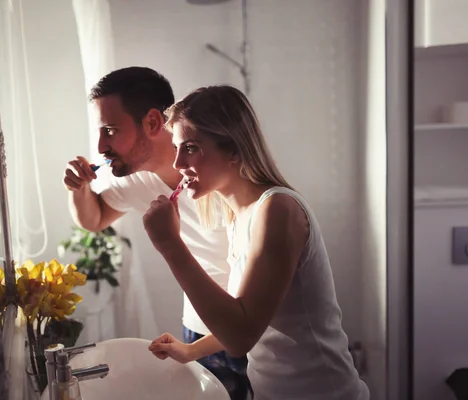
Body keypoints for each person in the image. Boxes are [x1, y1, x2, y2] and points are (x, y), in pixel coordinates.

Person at [142, 85, 370, 400]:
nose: (178, 163)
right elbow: (250, 315)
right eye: (177, 148)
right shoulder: (240, 217)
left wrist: (170, 246)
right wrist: (190, 350)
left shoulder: (277, 209)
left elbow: (240, 337)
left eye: (190, 147)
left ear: (234, 149)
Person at [63, 67, 251, 399]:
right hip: (194, 328)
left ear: (152, 122)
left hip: (242, 330)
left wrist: (168, 242)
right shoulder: (136, 181)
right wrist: (79, 189)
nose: (100, 145)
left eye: (110, 130)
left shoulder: (220, 178)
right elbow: (94, 220)